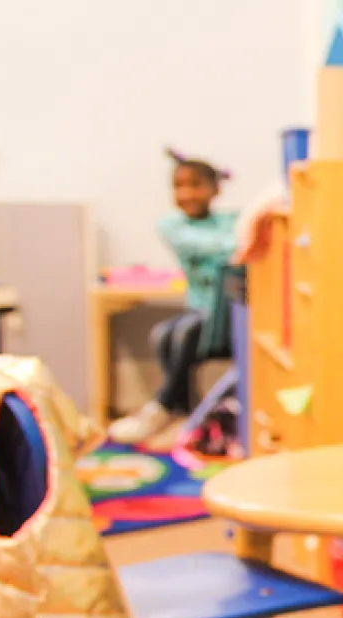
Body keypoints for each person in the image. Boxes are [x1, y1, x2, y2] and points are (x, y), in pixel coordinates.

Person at [108, 149, 239, 444]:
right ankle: (183, 412)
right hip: (199, 309)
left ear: (215, 189)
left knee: (184, 332)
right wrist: (236, 243)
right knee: (163, 334)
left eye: (196, 185)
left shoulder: (231, 220)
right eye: (179, 186)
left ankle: (164, 406)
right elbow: (222, 246)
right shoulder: (171, 225)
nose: (186, 194)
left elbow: (233, 247)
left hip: (226, 317)